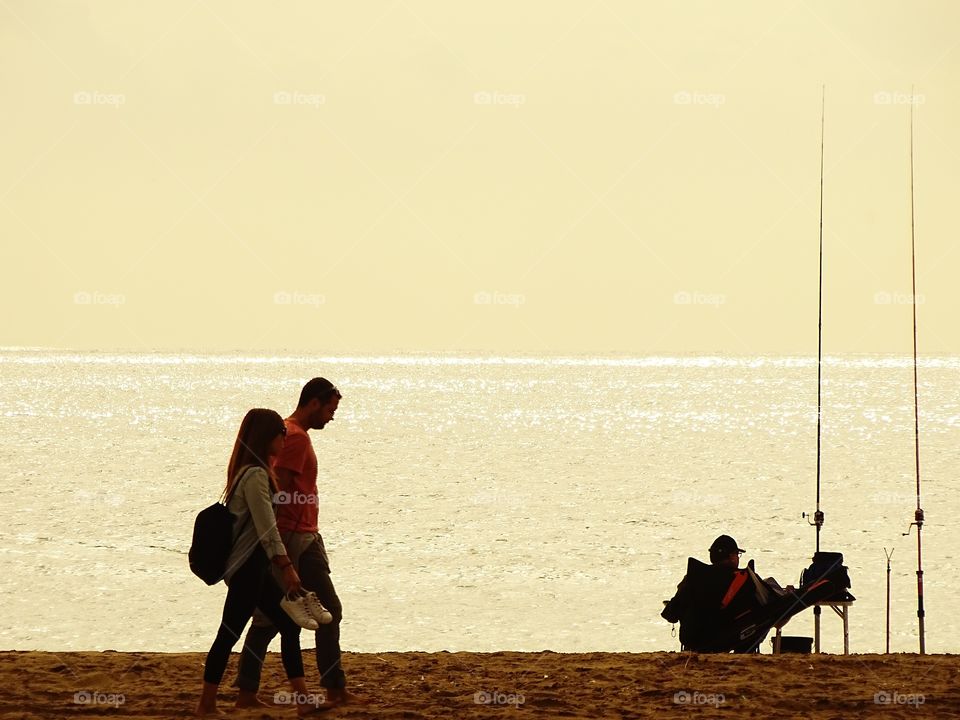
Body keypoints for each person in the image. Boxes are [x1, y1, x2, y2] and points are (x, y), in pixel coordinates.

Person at [234, 379, 364, 707]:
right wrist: (281, 548)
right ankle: (334, 687)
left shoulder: (290, 433)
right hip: (298, 537)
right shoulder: (297, 438)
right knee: (328, 609)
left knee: (270, 617)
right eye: (330, 409)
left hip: (299, 534)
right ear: (314, 403)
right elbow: (278, 488)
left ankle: (247, 690)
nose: (332, 417)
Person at [196, 408, 328, 717]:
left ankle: (302, 700)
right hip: (247, 569)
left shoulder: (250, 472)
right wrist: (287, 567)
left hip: (256, 567)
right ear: (266, 437)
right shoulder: (255, 475)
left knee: (288, 625)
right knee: (228, 634)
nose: (284, 440)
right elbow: (267, 527)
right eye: (281, 434)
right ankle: (206, 705)